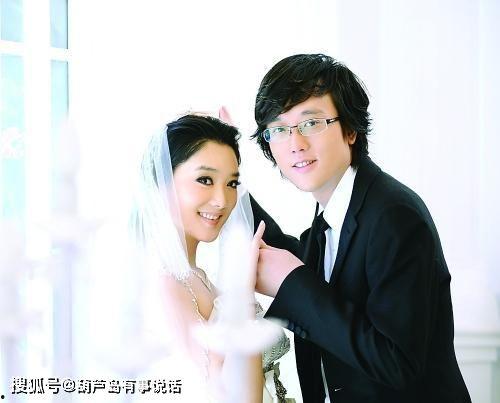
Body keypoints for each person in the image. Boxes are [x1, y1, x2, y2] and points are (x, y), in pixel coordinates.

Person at [250, 54, 472, 403]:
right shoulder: (332, 213)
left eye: (311, 123)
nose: (295, 143)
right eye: (278, 129)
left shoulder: (394, 215)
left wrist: (292, 282)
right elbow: (300, 261)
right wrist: (227, 181)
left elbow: (397, 363)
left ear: (350, 130)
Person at [131, 114, 293, 402]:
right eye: (205, 180)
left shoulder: (197, 277)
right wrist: (241, 294)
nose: (222, 200)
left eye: (231, 184)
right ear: (161, 183)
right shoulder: (165, 284)